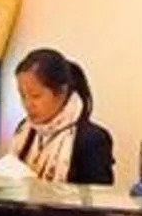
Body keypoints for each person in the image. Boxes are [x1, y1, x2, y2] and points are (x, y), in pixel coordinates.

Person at [12, 48, 114, 184]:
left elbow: (98, 195)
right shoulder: (24, 130)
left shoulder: (92, 140)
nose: (27, 104)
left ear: (62, 92)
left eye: (35, 96)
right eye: (22, 96)